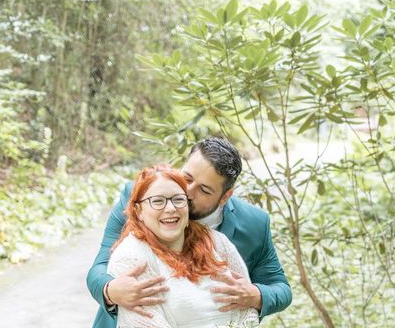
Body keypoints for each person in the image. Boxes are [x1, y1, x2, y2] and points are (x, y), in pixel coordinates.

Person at [87, 137, 292, 328]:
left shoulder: (254, 224)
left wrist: (255, 295)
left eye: (204, 190)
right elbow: (101, 264)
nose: (188, 192)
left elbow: (280, 288)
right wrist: (110, 291)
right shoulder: (142, 196)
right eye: (187, 178)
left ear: (224, 196)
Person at [108, 164, 259, 327]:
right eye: (157, 201)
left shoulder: (217, 242)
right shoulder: (131, 257)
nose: (171, 208)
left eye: (178, 199)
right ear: (139, 211)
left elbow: (247, 308)